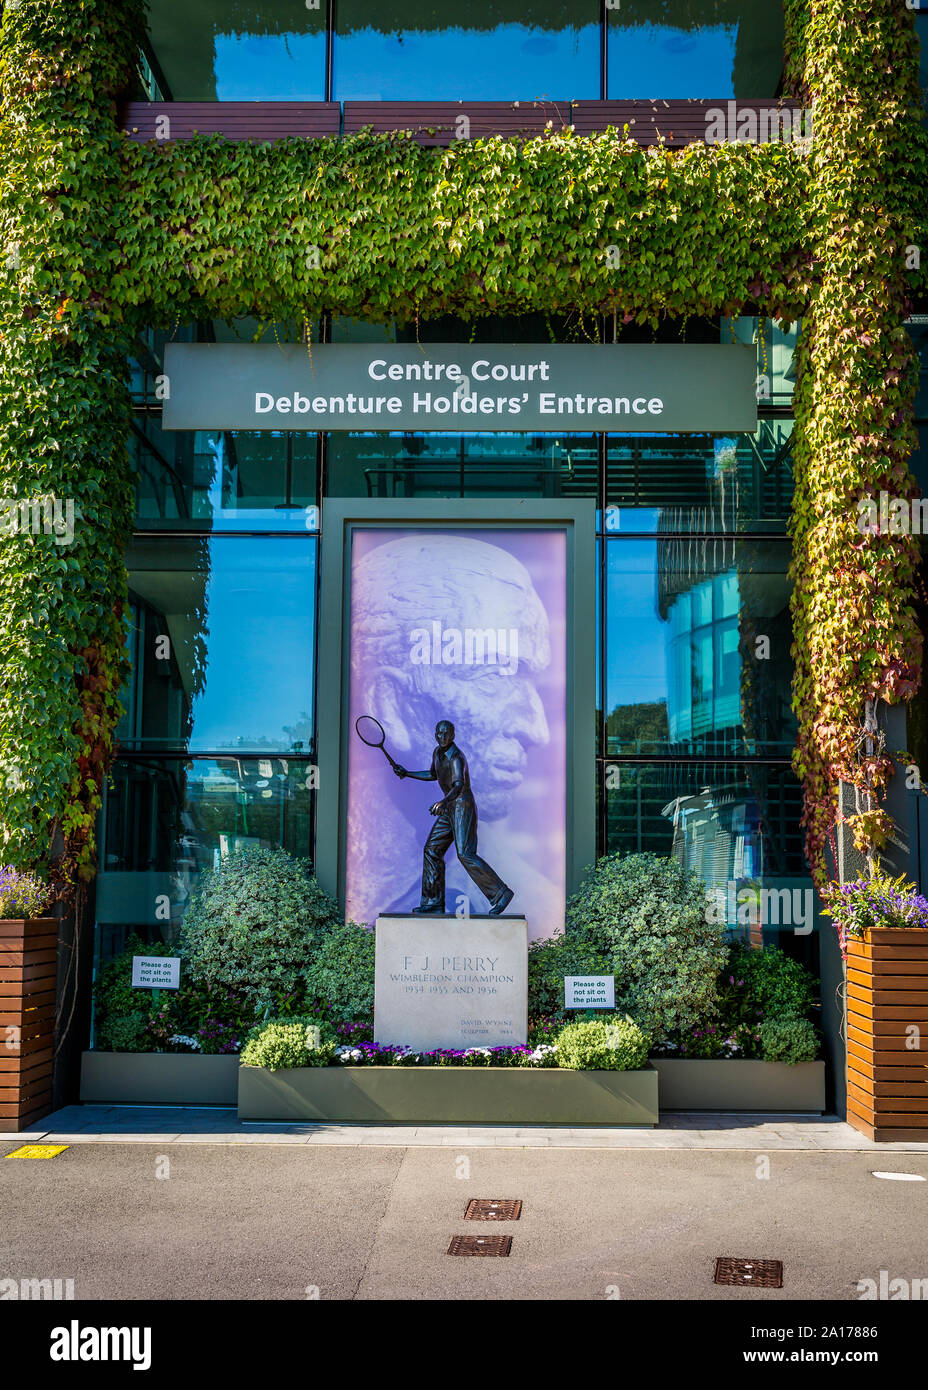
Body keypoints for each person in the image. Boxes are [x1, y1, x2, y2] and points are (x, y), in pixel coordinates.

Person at [393, 719, 513, 916]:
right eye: (439, 734)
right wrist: (407, 773)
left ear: (453, 735)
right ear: (435, 734)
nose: (442, 737)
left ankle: (501, 893)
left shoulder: (456, 757)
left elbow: (458, 786)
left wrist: (442, 802)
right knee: (432, 850)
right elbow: (433, 774)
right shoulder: (437, 753)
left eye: (446, 734)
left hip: (462, 806)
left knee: (465, 853)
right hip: (450, 806)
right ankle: (432, 902)